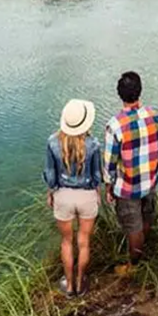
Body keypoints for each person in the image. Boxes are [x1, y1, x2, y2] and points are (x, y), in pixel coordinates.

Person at [104, 72, 158, 274]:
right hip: (151, 179)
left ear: (119, 94)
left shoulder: (115, 125)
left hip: (128, 186)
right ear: (140, 91)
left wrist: (109, 187)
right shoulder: (157, 117)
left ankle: (135, 265)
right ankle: (143, 251)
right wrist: (153, 170)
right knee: (147, 217)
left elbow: (109, 163)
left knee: (133, 227)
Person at [43, 99, 103, 297]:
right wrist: (98, 193)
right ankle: (80, 283)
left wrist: (51, 192)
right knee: (84, 241)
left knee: (67, 241)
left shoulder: (52, 142)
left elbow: (50, 175)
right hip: (86, 196)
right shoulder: (93, 144)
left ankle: (69, 287)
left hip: (63, 196)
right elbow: (97, 177)